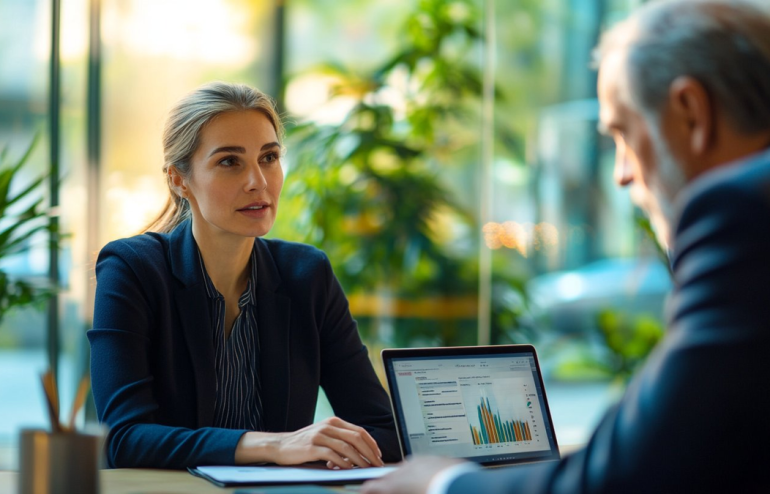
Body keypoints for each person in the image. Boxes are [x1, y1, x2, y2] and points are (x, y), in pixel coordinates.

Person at [363, 0, 770, 492]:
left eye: (622, 133)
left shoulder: (741, 212)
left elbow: (625, 478)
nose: (621, 174)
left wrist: (443, 482)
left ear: (691, 113)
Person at [89, 82, 400, 469]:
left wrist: (324, 449)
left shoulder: (307, 274)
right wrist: (275, 446)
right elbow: (124, 438)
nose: (259, 181)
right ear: (178, 180)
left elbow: (382, 431)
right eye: (229, 162)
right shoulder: (132, 269)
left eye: (269, 157)